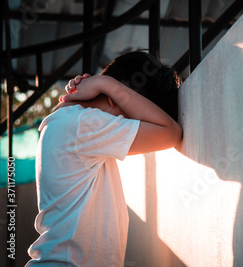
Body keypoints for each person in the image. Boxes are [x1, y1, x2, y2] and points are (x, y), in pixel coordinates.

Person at [26, 51, 183, 266]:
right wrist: (106, 83)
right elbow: (171, 133)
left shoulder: (71, 123)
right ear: (114, 99)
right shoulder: (83, 124)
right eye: (134, 116)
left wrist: (104, 83)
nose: (138, 126)